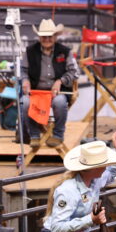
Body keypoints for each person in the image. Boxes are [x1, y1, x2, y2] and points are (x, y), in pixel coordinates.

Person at [19, 19, 79, 151]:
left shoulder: (65, 51)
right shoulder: (29, 51)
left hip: (57, 92)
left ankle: (58, 135)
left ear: (55, 36)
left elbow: (75, 72)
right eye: (44, 36)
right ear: (39, 37)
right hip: (35, 92)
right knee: (24, 102)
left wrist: (60, 81)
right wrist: (25, 80)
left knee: (60, 102)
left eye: (50, 36)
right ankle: (34, 135)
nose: (47, 39)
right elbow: (23, 71)